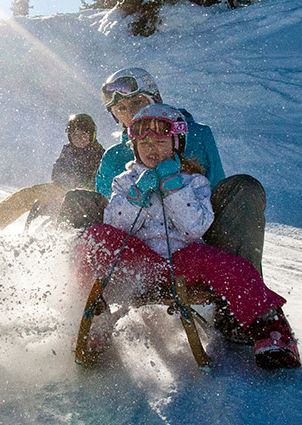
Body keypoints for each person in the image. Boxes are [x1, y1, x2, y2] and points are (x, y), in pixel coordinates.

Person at [77, 103, 299, 370]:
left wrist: (174, 190)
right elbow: (114, 225)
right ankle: (93, 317)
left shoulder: (194, 182)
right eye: (144, 143)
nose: (152, 149)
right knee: (95, 237)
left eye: (160, 142)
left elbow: (195, 228)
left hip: (184, 260)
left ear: (176, 145)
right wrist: (136, 195)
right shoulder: (124, 182)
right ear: (134, 148)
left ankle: (269, 328)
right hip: (140, 261)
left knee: (230, 266)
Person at [92, 67, 268, 341]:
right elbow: (110, 214)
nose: (129, 114)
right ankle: (86, 306)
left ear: (156, 99)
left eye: (137, 103)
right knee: (79, 201)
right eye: (121, 109)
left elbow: (216, 192)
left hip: (192, 236)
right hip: (136, 246)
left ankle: (237, 309)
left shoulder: (197, 135)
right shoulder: (114, 157)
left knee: (243, 187)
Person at [0, 113, 106, 236]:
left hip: (86, 198)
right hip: (62, 190)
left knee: (62, 219)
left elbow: (102, 183)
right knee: (28, 195)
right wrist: (63, 187)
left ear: (92, 135)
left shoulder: (100, 155)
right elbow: (57, 172)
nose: (79, 139)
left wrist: (79, 188)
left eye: (84, 135)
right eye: (75, 135)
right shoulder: (68, 151)